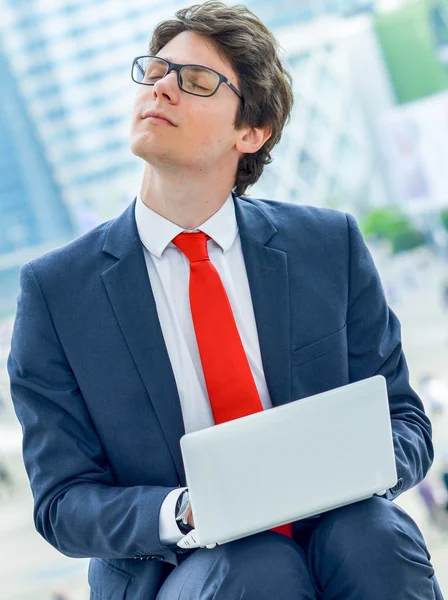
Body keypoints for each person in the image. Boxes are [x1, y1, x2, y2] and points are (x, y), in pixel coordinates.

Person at [7, 2, 441, 599]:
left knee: (371, 534)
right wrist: (185, 513)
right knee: (256, 564)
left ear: (251, 132)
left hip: (340, 538)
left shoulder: (327, 246)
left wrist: (359, 466)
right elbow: (62, 502)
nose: (162, 88)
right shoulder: (57, 293)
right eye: (156, 71)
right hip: (176, 569)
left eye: (196, 80)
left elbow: (407, 422)